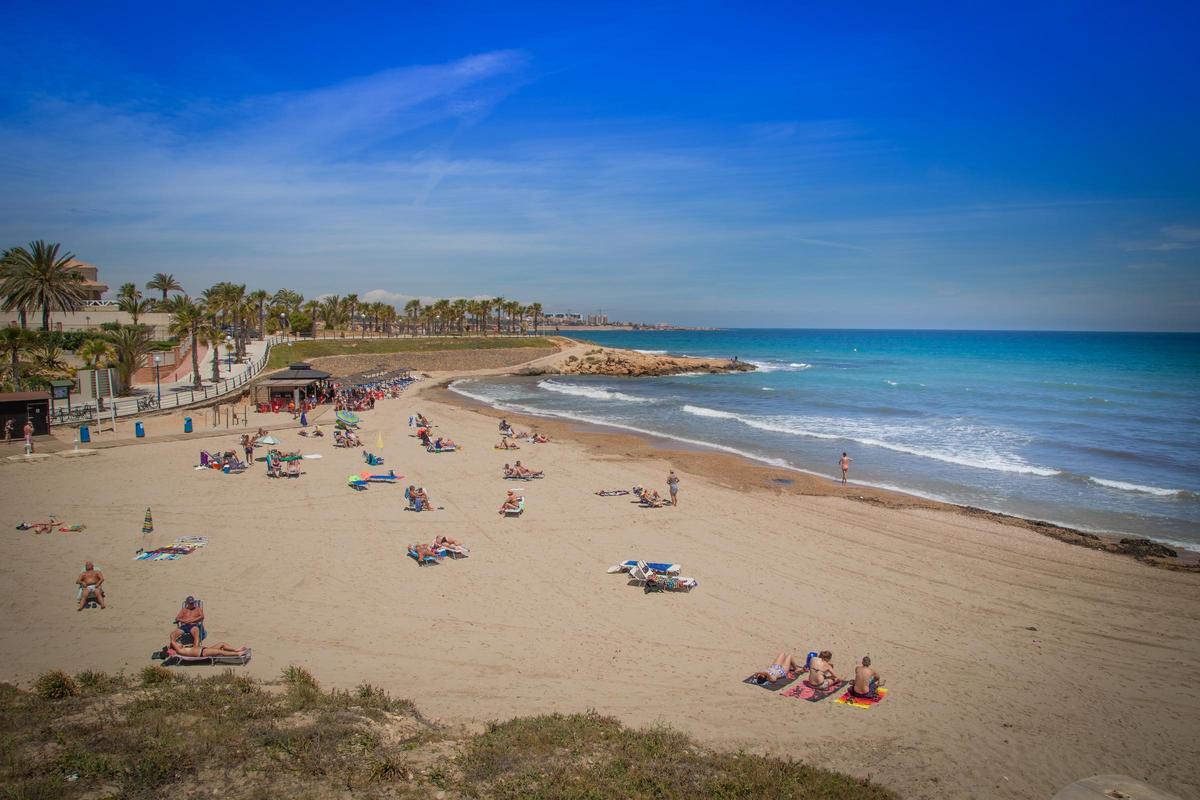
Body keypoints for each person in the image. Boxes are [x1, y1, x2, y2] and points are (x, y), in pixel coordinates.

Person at [167, 627, 247, 658]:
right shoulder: (180, 650)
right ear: (175, 646)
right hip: (203, 652)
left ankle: (236, 649)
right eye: (177, 643)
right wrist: (173, 640)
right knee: (220, 651)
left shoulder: (183, 649)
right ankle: (238, 654)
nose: (179, 642)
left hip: (205, 649)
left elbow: (173, 643)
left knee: (221, 643)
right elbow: (172, 639)